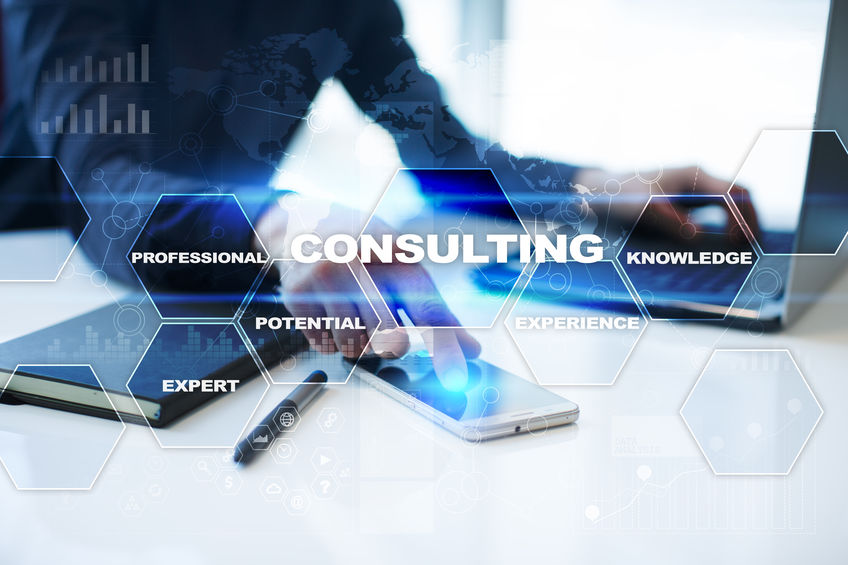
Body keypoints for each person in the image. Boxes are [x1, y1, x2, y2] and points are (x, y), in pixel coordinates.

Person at [0, 0, 758, 387]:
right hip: (34, 287)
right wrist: (283, 219)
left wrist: (597, 187)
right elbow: (104, 194)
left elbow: (443, 154)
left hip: (228, 288)